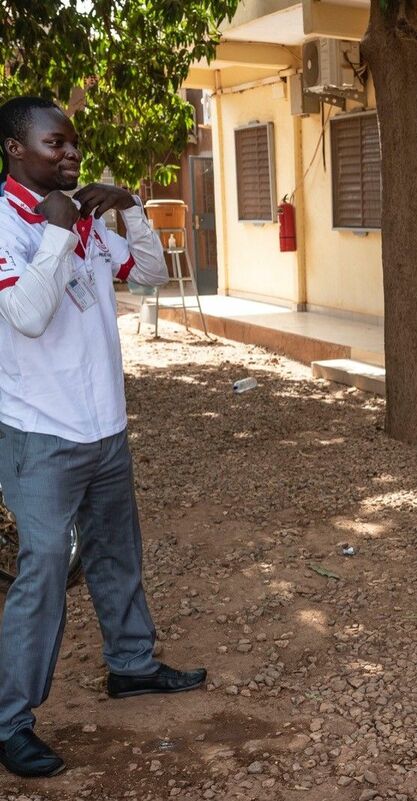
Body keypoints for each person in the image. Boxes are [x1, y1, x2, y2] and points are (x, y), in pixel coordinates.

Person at [0, 97, 206, 779]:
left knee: (117, 550)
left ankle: (132, 665)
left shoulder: (84, 220)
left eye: (73, 144)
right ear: (15, 150)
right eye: (54, 144)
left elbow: (146, 274)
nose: (70, 155)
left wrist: (132, 210)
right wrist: (57, 234)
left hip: (105, 424)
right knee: (45, 570)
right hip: (41, 429)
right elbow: (27, 316)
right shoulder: (7, 222)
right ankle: (9, 720)